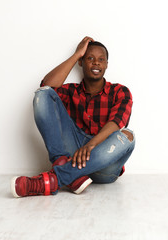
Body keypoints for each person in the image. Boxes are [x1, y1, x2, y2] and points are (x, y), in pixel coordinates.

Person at [11, 36, 135, 197]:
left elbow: (118, 122)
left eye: (101, 59)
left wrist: (91, 145)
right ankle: (68, 172)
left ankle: (55, 178)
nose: (96, 62)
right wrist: (77, 54)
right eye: (90, 58)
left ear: (106, 65)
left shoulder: (120, 91)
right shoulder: (70, 91)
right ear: (81, 63)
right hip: (75, 157)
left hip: (104, 167)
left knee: (129, 135)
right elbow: (45, 87)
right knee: (43, 94)